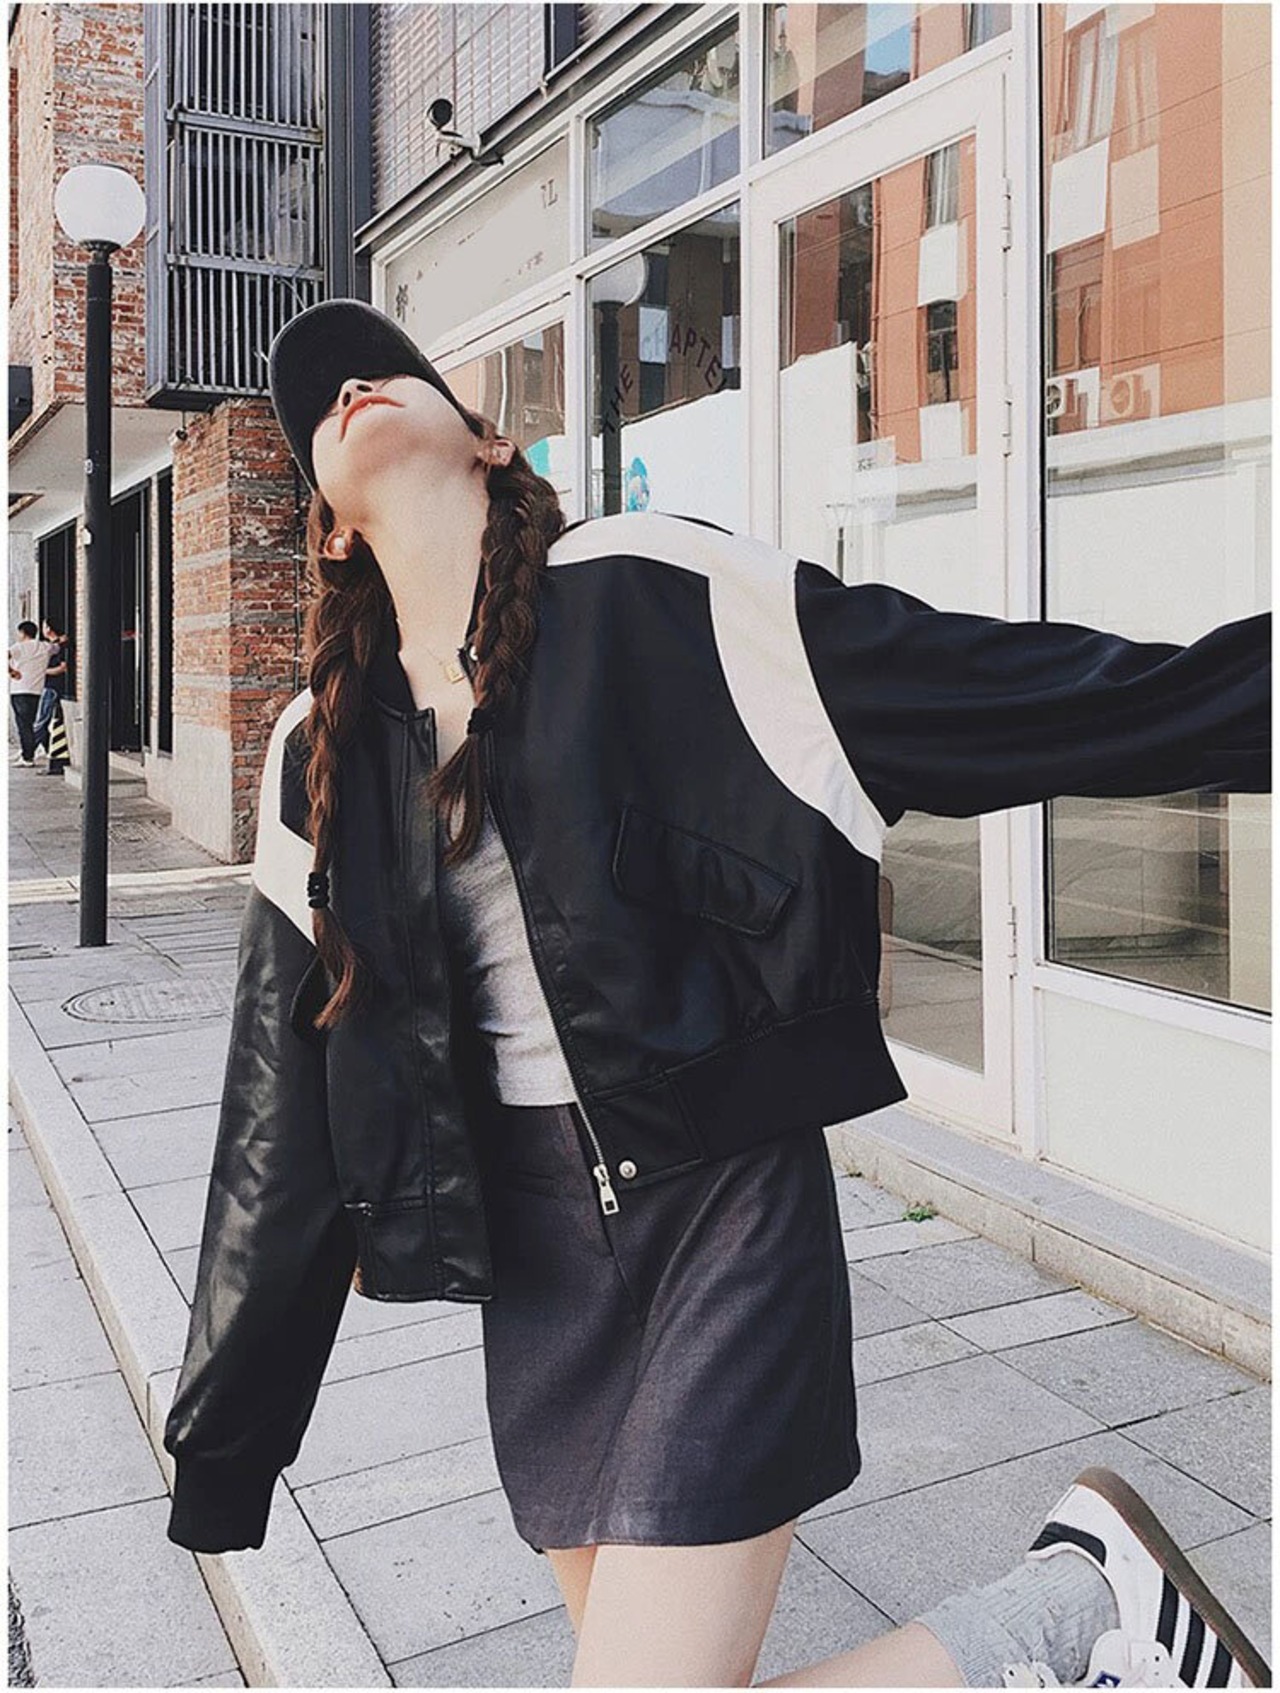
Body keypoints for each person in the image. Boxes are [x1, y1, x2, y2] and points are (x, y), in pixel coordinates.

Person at [161, 300, 1270, 1687]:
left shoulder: (654, 590)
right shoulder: (312, 751)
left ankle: (1078, 1608)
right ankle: (1079, 1615)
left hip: (723, 1211)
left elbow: (1011, 691)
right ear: (328, 528)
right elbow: (277, 1128)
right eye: (317, 401)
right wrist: (225, 1448)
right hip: (534, 1268)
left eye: (382, 369)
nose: (349, 390)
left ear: (489, 439)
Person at [8, 619, 51, 766]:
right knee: (30, 724)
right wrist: (58, 638)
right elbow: (58, 646)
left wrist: (12, 672)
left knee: (23, 726)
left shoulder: (18, 647)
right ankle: (28, 753)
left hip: (19, 690)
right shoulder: (44, 646)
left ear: (22, 633)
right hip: (36, 691)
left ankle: (27, 757)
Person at [32, 617, 69, 772]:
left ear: (49, 628)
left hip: (52, 688)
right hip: (46, 686)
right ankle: (50, 752)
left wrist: (42, 671)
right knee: (43, 722)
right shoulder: (53, 645)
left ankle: (27, 752)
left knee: (40, 722)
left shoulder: (62, 647)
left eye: (44, 626)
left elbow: (63, 667)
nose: (42, 629)